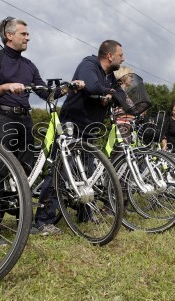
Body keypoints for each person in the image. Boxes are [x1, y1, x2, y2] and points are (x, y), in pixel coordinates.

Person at [0, 17, 84, 244]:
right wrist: (5, 87)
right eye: (24, 34)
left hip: (24, 119)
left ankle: (22, 223)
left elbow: (47, 94)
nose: (28, 37)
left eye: (27, 34)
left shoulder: (29, 66)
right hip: (2, 116)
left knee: (25, 173)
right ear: (9, 35)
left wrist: (69, 87)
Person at [33, 40, 125, 235]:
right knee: (60, 173)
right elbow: (91, 86)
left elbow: (121, 94)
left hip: (88, 129)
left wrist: (116, 96)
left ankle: (84, 214)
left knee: (87, 175)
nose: (122, 58)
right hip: (71, 125)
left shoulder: (110, 76)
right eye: (120, 55)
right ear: (109, 56)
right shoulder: (89, 65)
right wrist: (109, 93)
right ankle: (42, 221)